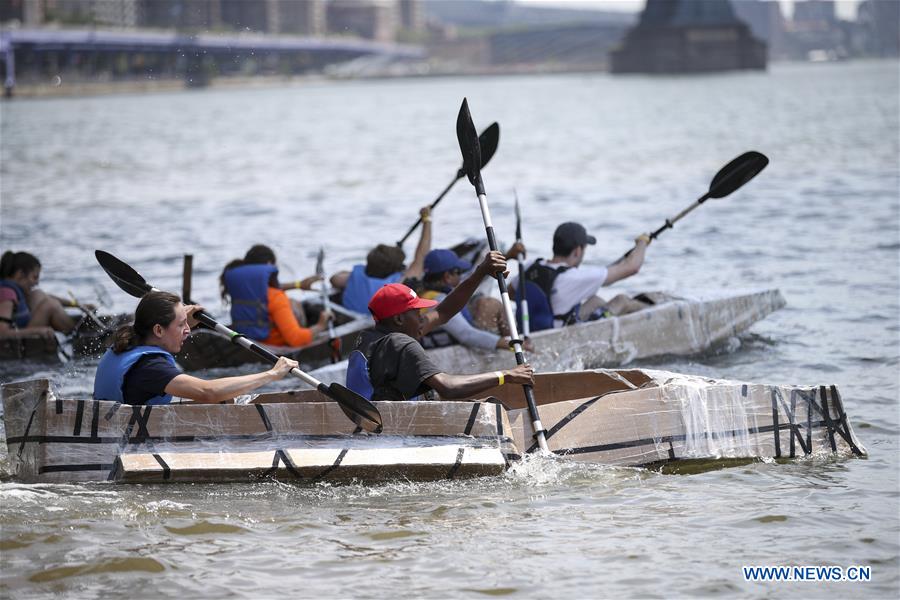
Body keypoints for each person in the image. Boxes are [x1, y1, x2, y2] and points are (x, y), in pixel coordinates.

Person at [347, 251, 534, 402]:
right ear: (398, 320)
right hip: (388, 431)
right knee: (492, 405)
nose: (421, 317)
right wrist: (506, 375)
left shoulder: (370, 337)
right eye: (416, 312)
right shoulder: (401, 344)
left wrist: (481, 272)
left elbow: (444, 312)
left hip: (371, 420)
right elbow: (448, 388)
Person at [94, 291, 298, 405]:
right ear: (158, 330)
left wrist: (180, 320)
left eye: (186, 323)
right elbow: (207, 392)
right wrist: (272, 374)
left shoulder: (128, 342)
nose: (188, 331)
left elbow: (156, 321)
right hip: (125, 447)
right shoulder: (151, 368)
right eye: (181, 325)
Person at [510, 222, 651, 331]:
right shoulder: (573, 278)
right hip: (558, 336)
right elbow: (632, 267)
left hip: (531, 329)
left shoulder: (531, 266)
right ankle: (652, 316)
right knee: (622, 300)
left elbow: (511, 293)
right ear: (577, 251)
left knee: (595, 301)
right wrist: (642, 242)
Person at [418, 246, 533, 352]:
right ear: (447, 277)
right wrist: (512, 345)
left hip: (448, 342)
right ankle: (520, 346)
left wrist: (506, 257)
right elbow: (466, 334)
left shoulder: (424, 293)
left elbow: (470, 282)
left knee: (487, 303)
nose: (461, 275)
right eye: (458, 271)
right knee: (491, 304)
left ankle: (514, 340)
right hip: (444, 353)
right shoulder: (438, 301)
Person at [220, 244, 331, 347]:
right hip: (274, 345)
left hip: (249, 339)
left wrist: (298, 285)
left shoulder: (238, 289)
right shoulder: (276, 297)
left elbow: (263, 290)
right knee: (294, 304)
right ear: (269, 264)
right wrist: (321, 325)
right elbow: (296, 339)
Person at [329, 206, 433, 314]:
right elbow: (421, 257)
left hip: (350, 316)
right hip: (375, 324)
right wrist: (427, 220)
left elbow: (333, 279)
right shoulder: (397, 285)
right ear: (394, 270)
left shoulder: (352, 277)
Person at [0, 250, 81, 340]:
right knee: (50, 305)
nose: (37, 282)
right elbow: (2, 333)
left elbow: (45, 296)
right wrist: (37, 331)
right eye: (35, 277)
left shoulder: (14, 289)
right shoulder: (6, 294)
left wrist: (76, 305)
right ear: (20, 274)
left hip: (23, 326)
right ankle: (77, 334)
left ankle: (76, 329)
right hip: (20, 344)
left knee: (38, 294)